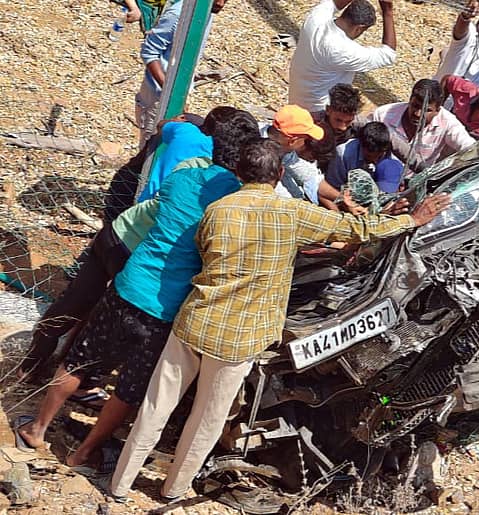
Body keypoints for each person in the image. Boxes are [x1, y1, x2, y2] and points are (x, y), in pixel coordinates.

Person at [108, 138, 450, 501]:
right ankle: (174, 488)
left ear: (239, 173)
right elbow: (357, 230)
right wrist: (411, 219)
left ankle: (119, 484)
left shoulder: (218, 210)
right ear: (280, 173)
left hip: (194, 321)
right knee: (207, 418)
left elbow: (206, 251)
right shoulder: (292, 214)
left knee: (155, 406)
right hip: (239, 338)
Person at [15, 111, 260, 472]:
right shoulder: (236, 205)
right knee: (130, 387)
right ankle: (82, 453)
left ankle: (37, 427)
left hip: (130, 280)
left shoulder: (185, 176)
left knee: (79, 355)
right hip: (166, 306)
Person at [17, 107, 234, 385]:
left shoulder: (183, 132)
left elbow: (162, 126)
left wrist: (178, 120)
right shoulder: (219, 179)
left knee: (76, 299)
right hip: (146, 244)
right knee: (108, 314)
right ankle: (73, 373)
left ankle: (30, 365)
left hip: (123, 223)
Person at [136, 0, 227, 145]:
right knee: (151, 143)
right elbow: (149, 52)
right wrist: (172, 93)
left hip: (176, 94)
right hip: (157, 96)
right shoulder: (178, 15)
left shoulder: (205, 14)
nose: (221, 4)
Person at [288, 0, 396, 112]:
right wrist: (387, 11)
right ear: (358, 28)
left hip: (295, 101)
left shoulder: (315, 20)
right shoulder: (343, 50)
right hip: (320, 112)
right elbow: (389, 54)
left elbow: (334, 3)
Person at [370, 79, 475, 171]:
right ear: (410, 100)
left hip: (416, 180)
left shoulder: (448, 123)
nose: (418, 114)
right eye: (415, 106)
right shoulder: (383, 115)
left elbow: (470, 147)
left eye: (427, 110)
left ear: (438, 110)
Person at [261, 105, 343, 210]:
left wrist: (341, 198)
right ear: (293, 140)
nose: (306, 143)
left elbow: (310, 177)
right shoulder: (259, 156)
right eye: (305, 139)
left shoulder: (284, 148)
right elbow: (281, 199)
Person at [326, 121, 403, 193]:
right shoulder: (343, 155)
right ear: (361, 145)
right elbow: (332, 188)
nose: (374, 160)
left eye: (378, 156)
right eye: (369, 156)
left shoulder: (389, 158)